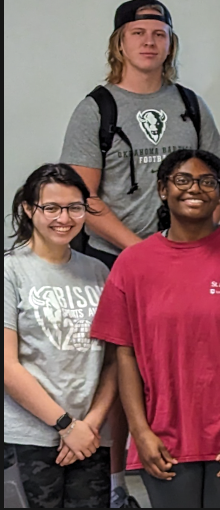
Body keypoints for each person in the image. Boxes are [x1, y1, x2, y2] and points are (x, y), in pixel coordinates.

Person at [60, 0, 220, 507]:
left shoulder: (191, 105)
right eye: (138, 33)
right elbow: (83, 199)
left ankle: (186, 466)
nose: (149, 41)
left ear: (170, 42)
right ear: (120, 43)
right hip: (118, 261)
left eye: (159, 32)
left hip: (189, 260)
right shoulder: (97, 107)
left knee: (184, 367)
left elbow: (215, 181)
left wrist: (194, 241)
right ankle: (116, 487)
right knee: (118, 370)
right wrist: (142, 252)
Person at [89, 150, 220, 508]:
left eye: (207, 182)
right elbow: (126, 355)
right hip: (163, 438)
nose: (194, 189)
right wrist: (140, 433)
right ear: (162, 190)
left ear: (219, 194)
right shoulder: (133, 263)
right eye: (182, 180)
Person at [5, 164, 118, 509]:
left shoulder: (98, 271)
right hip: (27, 439)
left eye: (74, 207)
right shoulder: (11, 270)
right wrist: (65, 425)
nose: (63, 218)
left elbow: (112, 361)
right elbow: (7, 367)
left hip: (89, 438)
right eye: (50, 208)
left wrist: (90, 424)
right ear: (28, 208)